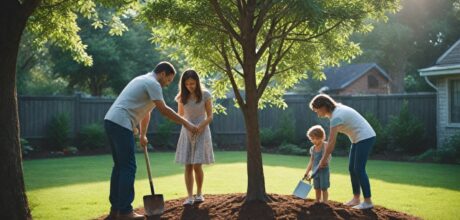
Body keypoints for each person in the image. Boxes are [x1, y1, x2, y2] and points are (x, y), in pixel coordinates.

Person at [103, 62, 197, 220]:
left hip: (111, 121)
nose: (167, 84)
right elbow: (164, 110)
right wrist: (186, 122)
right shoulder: (153, 83)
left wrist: (143, 135)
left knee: (119, 167)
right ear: (162, 74)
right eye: (168, 80)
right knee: (128, 167)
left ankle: (116, 210)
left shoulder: (142, 80)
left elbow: (147, 112)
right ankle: (125, 211)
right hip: (121, 123)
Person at [309, 94, 376, 209]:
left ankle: (368, 201)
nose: (317, 113)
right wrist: (323, 160)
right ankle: (356, 198)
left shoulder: (336, 117)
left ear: (324, 107)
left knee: (359, 169)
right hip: (357, 139)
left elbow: (331, 142)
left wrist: (323, 160)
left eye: (317, 110)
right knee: (352, 169)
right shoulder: (336, 112)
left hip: (365, 137)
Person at [174, 69, 215, 206]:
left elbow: (210, 116)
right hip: (187, 131)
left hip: (202, 131)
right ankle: (189, 196)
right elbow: (180, 115)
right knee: (188, 165)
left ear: (197, 82)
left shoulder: (206, 95)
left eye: (192, 83)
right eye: (187, 84)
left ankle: (199, 193)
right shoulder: (181, 97)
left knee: (197, 165)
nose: (190, 86)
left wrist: (200, 126)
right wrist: (189, 125)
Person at [304, 125, 330, 203]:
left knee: (324, 187)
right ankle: (317, 200)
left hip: (323, 170)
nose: (314, 141)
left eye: (316, 139)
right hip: (315, 171)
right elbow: (311, 161)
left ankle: (325, 202)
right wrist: (307, 172)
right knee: (317, 187)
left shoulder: (325, 145)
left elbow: (327, 157)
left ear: (322, 137)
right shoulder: (313, 148)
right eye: (312, 139)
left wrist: (324, 162)